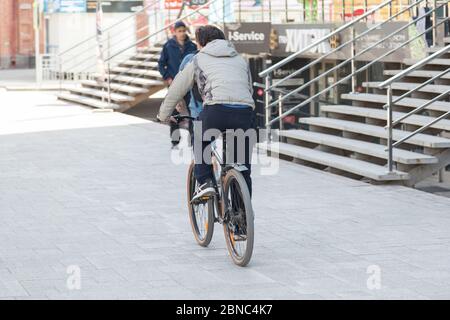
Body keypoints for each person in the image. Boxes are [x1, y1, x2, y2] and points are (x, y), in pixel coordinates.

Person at [158, 25, 255, 202]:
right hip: (244, 114)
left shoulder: (197, 59)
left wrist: (163, 115)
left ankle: (205, 182)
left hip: (216, 110)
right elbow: (249, 88)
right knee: (242, 166)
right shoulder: (240, 60)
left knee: (200, 135)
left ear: (202, 43)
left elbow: (176, 89)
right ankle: (243, 217)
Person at [158, 21, 197, 148]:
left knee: (192, 110)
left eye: (183, 30)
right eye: (179, 31)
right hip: (174, 84)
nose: (182, 33)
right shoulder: (168, 46)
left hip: (189, 84)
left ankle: (193, 139)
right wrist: (167, 77)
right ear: (174, 32)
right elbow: (161, 64)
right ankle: (175, 140)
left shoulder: (192, 46)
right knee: (174, 112)